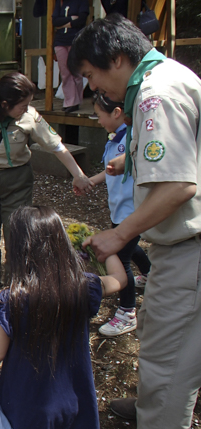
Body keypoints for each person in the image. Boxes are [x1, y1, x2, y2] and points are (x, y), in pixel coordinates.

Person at [68, 14, 201, 429]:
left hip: (191, 250)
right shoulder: (169, 77)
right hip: (182, 247)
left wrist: (119, 234)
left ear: (118, 58)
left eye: (91, 76)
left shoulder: (154, 97)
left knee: (169, 351)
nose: (94, 90)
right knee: (170, 341)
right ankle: (153, 408)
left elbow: (180, 184)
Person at [0, 206, 126, 429]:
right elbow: (120, 279)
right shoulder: (84, 288)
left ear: (17, 249)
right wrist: (107, 249)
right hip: (75, 394)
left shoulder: (12, 299)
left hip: (28, 401)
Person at [0, 72, 93, 312]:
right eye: (22, 105)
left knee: (17, 236)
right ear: (4, 104)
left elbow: (56, 147)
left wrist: (78, 174)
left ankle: (14, 289)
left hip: (18, 180)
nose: (26, 108)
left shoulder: (29, 116)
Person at [88, 93, 151, 337]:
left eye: (99, 115)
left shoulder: (134, 138)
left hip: (131, 210)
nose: (97, 120)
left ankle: (127, 312)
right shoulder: (115, 137)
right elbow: (111, 169)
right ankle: (148, 273)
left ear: (116, 113)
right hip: (119, 209)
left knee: (119, 258)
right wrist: (93, 181)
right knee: (130, 246)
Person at [52, 0, 89, 113]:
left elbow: (81, 21)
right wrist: (71, 19)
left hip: (75, 40)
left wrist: (63, 24)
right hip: (60, 41)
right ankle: (69, 101)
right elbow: (55, 21)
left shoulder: (82, 2)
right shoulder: (60, 2)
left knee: (75, 71)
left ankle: (76, 101)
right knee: (65, 72)